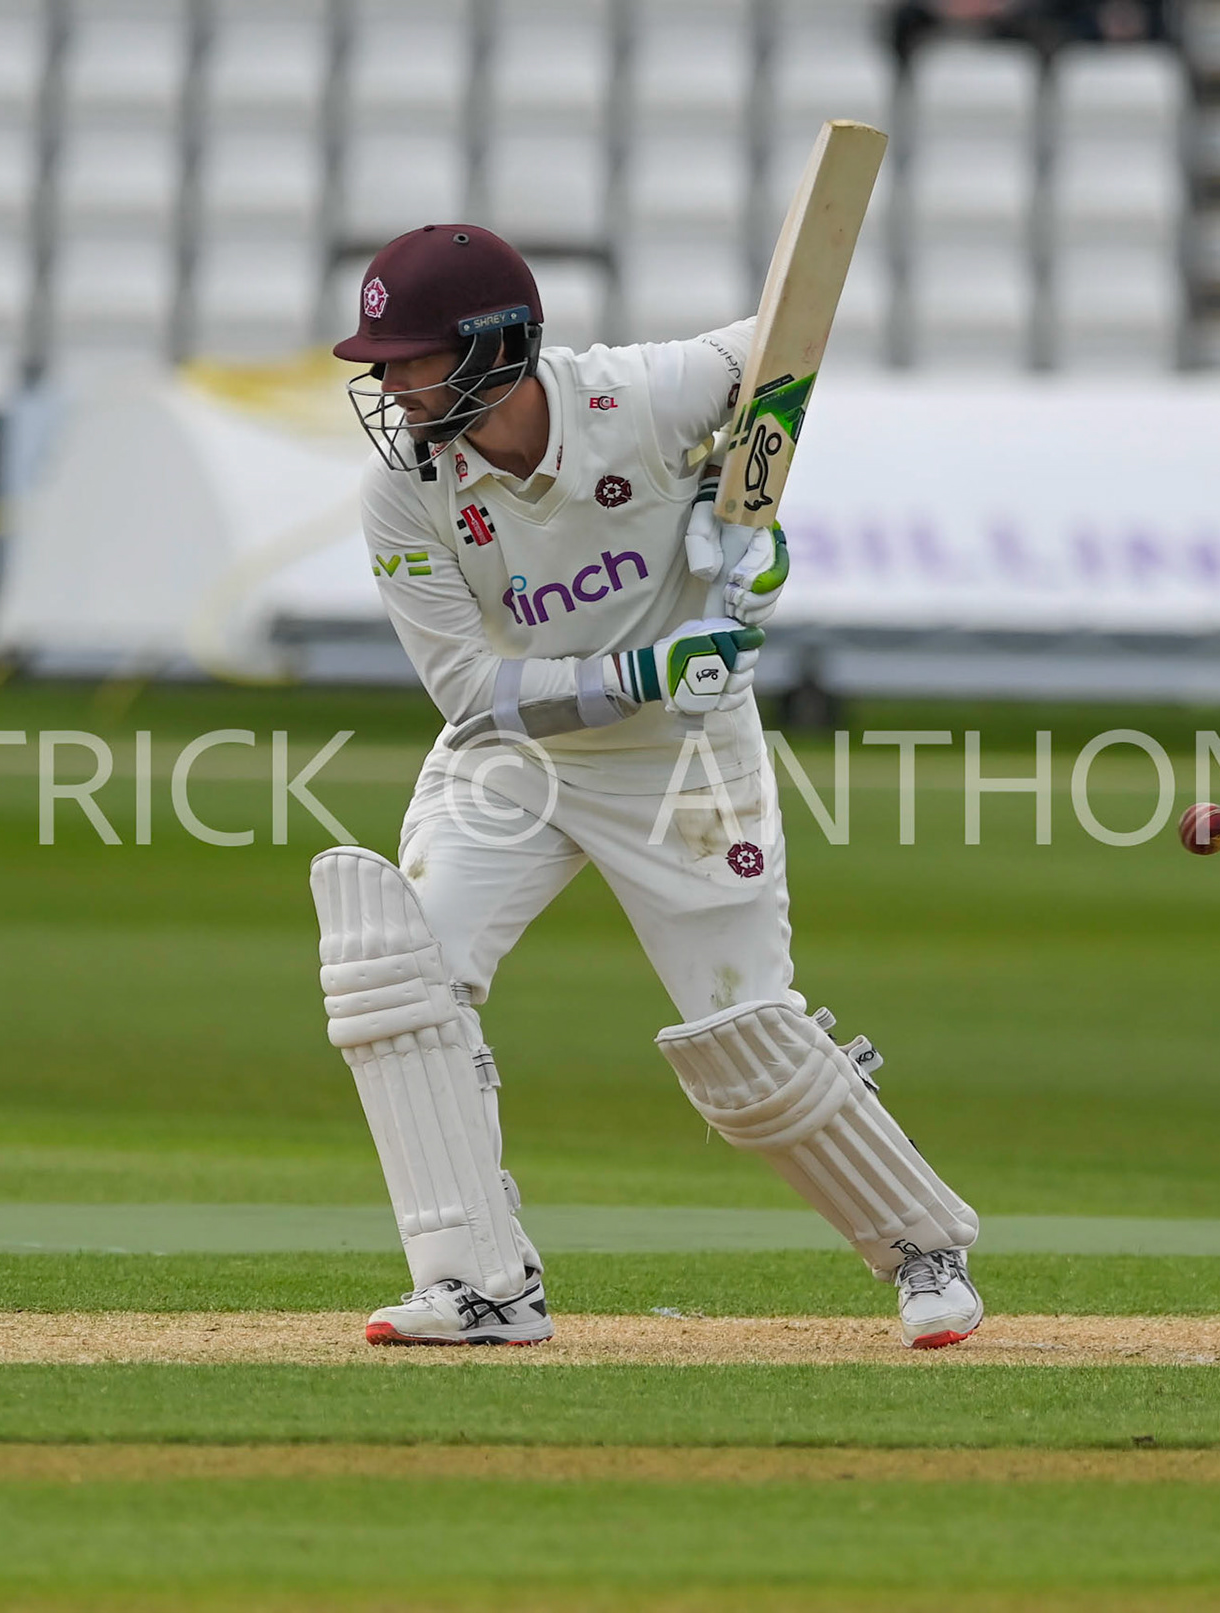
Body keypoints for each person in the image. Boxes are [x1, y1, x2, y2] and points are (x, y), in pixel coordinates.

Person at [308, 223, 982, 1349]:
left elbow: (785, 340)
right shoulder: (403, 493)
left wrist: (751, 532)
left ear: (497, 347)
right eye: (384, 360)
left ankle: (921, 1246)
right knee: (399, 969)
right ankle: (482, 1286)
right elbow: (470, 690)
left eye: (414, 356)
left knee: (744, 1036)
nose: (392, 384)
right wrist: (637, 670)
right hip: (516, 753)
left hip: (685, 758)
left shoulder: (645, 395)